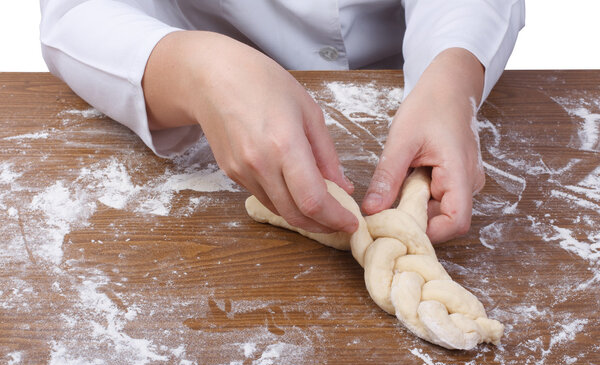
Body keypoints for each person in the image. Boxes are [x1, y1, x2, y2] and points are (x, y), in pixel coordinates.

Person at [40, 0, 525, 243]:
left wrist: (450, 75)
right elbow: (78, 10)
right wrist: (197, 71)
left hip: (404, 74)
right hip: (197, 81)